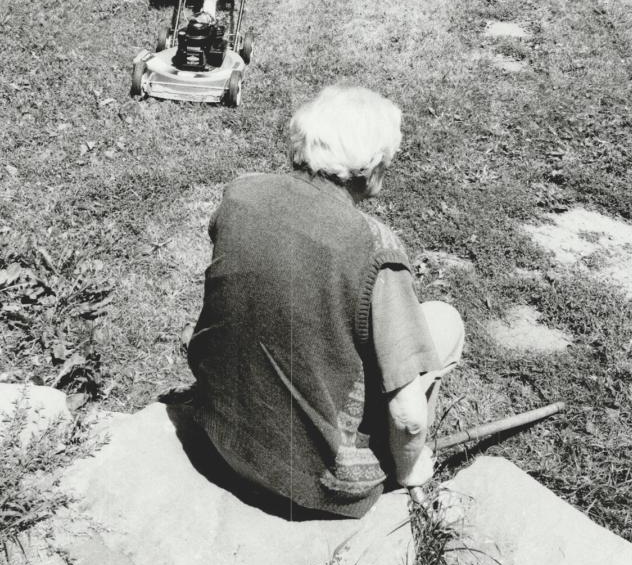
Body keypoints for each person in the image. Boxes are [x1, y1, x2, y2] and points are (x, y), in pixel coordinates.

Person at [187, 85, 465, 519]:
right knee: (443, 322)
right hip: (316, 485)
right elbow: (408, 415)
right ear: (371, 169)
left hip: (219, 435)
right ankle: (402, 464)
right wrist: (413, 470)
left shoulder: (240, 193)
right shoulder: (374, 246)